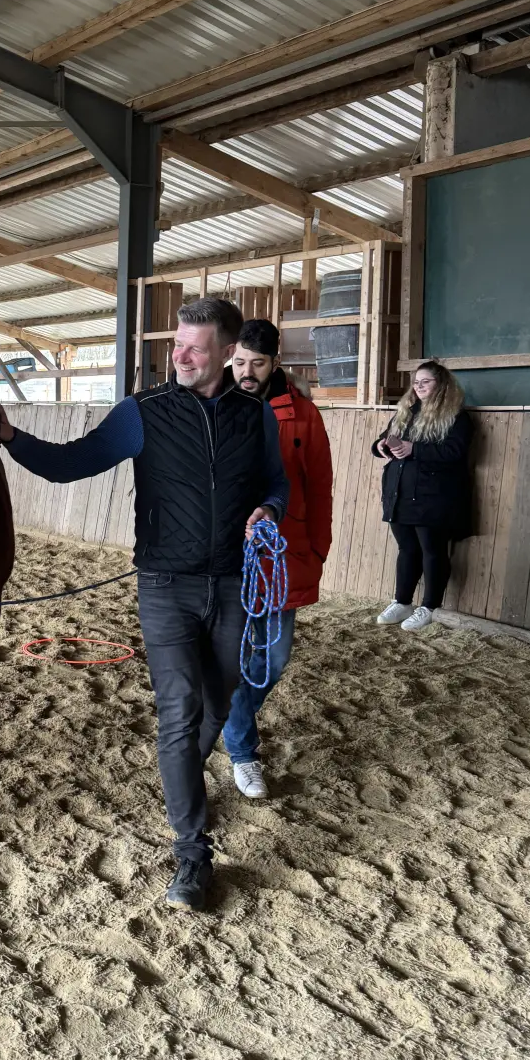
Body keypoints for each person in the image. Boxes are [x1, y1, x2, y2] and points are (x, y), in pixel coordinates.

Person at [0, 297, 288, 913]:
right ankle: (191, 851)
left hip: (236, 583)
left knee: (219, 704)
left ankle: (184, 784)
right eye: (176, 344)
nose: (179, 355)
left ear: (226, 353)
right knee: (179, 711)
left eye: (194, 347)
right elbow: (69, 464)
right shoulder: (143, 412)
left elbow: (275, 480)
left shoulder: (253, 415)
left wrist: (271, 509)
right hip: (165, 585)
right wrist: (8, 435)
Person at [223, 319, 333, 799]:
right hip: (222, 554)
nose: (247, 372)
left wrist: (318, 547)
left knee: (273, 658)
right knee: (228, 656)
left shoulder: (303, 414)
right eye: (240, 362)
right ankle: (243, 751)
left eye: (258, 364)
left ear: (275, 364)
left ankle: (230, 721)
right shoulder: (213, 403)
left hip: (279, 553)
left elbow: (319, 487)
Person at [373, 360, 471, 631]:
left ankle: (429, 606)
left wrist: (413, 449)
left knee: (432, 550)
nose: (418, 386)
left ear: (441, 385)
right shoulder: (406, 412)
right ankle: (402, 601)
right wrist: (381, 445)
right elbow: (381, 440)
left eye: (425, 381)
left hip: (433, 495)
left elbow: (454, 452)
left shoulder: (456, 416)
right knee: (406, 547)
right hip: (399, 491)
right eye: (416, 382)